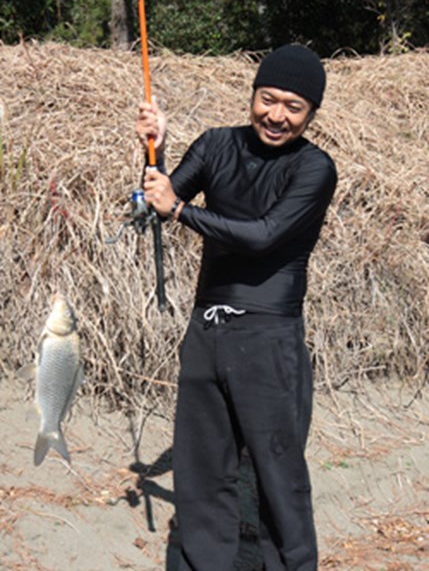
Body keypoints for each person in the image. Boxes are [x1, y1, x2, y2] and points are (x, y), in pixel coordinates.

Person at [136, 44, 337, 571]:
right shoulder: (215, 145)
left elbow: (264, 236)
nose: (276, 115)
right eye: (267, 99)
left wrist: (181, 210)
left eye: (294, 107)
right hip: (206, 331)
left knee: (277, 474)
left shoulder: (315, 168)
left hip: (269, 336)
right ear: (253, 95)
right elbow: (154, 205)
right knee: (202, 471)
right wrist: (152, 153)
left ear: (311, 112)